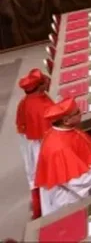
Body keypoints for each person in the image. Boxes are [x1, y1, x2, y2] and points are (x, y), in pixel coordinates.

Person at [35, 99, 91, 216]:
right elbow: (76, 181)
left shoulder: (65, 131)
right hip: (68, 198)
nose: (81, 113)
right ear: (66, 120)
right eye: (77, 112)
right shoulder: (59, 148)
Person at [16, 68, 53, 219]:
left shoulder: (24, 103)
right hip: (42, 145)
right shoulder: (42, 105)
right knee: (47, 177)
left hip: (29, 145)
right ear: (39, 87)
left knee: (34, 177)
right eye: (44, 82)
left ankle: (38, 209)